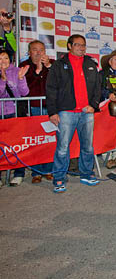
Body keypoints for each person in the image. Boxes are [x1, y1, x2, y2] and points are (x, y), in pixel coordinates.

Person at [46, 34, 102, 193]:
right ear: (69, 46)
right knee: (62, 147)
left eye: (83, 45)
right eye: (77, 45)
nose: (81, 48)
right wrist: (52, 112)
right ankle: (59, 177)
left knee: (88, 147)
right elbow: (50, 89)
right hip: (66, 113)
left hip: (87, 112)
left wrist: (94, 105)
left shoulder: (91, 64)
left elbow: (98, 87)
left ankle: (86, 173)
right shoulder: (59, 64)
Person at [18, 40, 55, 183]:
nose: (39, 52)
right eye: (35, 50)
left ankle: (49, 170)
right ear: (29, 52)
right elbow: (25, 89)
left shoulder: (51, 64)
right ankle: (36, 172)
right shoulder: (23, 66)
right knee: (35, 141)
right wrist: (38, 70)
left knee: (50, 139)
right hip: (33, 107)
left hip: (50, 107)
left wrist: (47, 67)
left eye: (41, 49)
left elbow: (57, 82)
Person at [0, 49, 29, 186]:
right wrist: (2, 80)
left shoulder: (17, 70)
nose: (3, 61)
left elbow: (24, 92)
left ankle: (19, 173)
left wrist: (21, 79)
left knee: (17, 144)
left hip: (14, 113)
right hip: (1, 114)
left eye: (5, 58)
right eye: (0, 59)